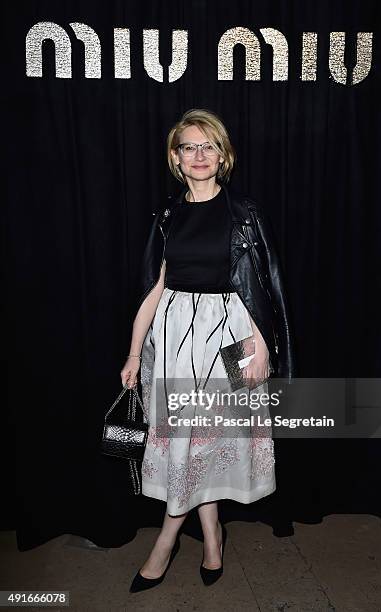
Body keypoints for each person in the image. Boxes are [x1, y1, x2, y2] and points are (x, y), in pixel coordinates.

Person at [120, 108, 296, 592]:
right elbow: (151, 290)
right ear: (176, 158)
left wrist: (261, 347)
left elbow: (264, 285)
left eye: (208, 146)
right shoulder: (168, 216)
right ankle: (212, 535)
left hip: (233, 338)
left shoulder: (245, 212)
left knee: (211, 440)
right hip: (174, 340)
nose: (199, 155)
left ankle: (166, 541)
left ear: (223, 155)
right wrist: (135, 354)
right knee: (188, 442)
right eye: (189, 147)